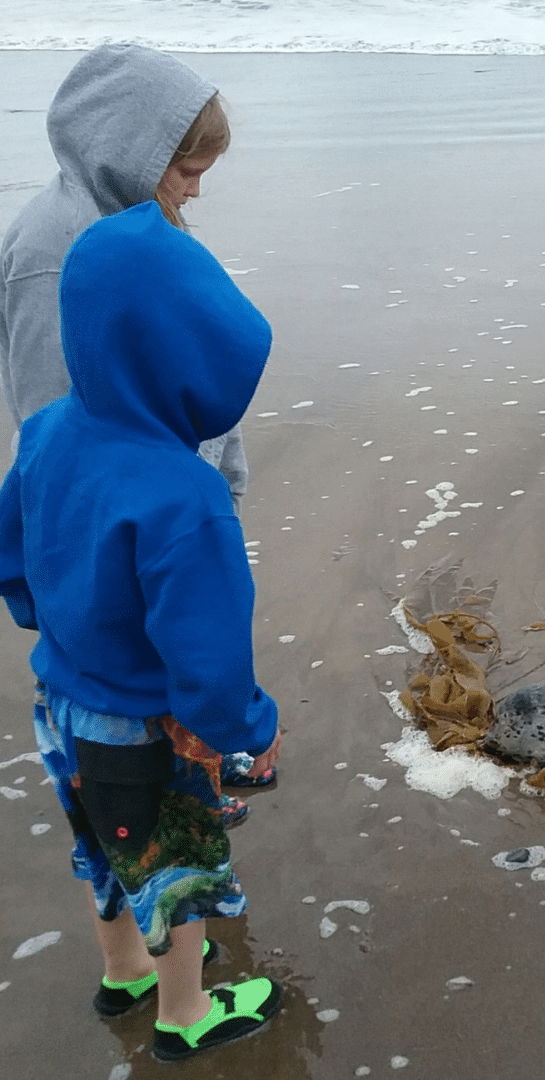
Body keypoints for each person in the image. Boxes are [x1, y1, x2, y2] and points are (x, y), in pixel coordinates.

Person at [0, 201, 282, 1059]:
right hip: (141, 730)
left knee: (102, 849)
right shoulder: (183, 496)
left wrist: (53, 625)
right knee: (177, 873)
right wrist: (248, 732)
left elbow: (13, 555)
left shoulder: (46, 431)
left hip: (60, 705)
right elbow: (211, 661)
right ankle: (185, 1014)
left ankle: (122, 974)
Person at [0, 43, 274, 805]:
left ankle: (189, 748)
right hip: (136, 540)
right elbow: (51, 426)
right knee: (171, 683)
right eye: (185, 171)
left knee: (190, 650)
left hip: (168, 508)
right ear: (129, 146)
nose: (194, 191)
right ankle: (191, 762)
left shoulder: (135, 221)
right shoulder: (58, 251)